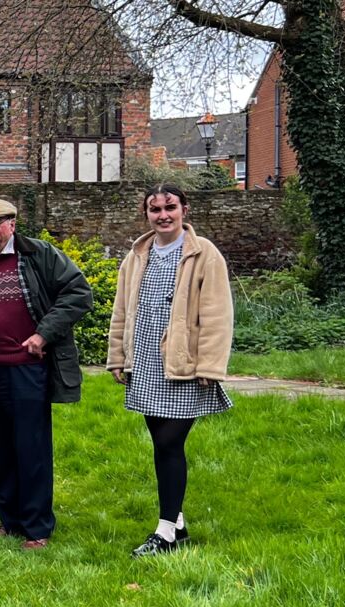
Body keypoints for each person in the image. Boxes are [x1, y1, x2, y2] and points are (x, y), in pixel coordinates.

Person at [0, 199, 92, 551]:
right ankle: (10, 520)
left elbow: (78, 292)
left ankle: (37, 527)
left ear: (12, 224)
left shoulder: (38, 255)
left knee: (31, 448)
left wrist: (44, 333)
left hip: (26, 369)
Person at [106, 184, 233, 557]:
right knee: (161, 444)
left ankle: (164, 533)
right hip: (145, 360)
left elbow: (217, 315)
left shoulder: (203, 253)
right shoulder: (137, 255)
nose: (163, 215)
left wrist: (210, 364)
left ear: (184, 210)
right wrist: (118, 356)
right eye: (155, 209)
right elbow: (121, 309)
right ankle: (177, 524)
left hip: (184, 363)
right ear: (146, 213)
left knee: (168, 443)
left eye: (170, 207)